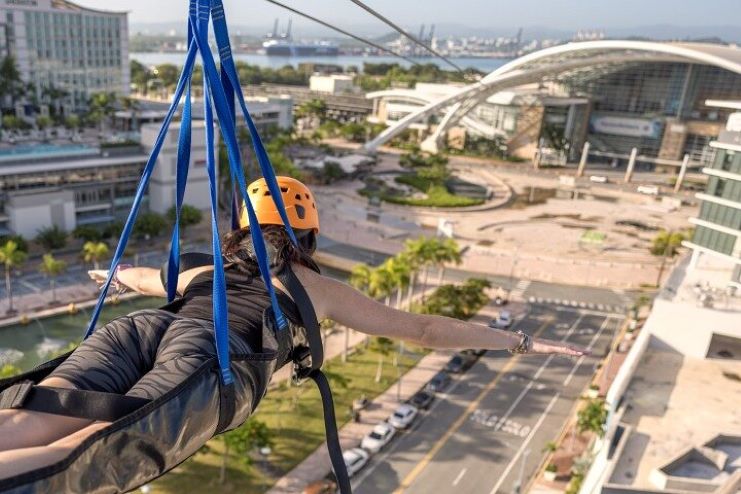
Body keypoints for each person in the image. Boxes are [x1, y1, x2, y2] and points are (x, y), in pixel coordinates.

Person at [0, 176, 587, 479]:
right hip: (211, 352)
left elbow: (146, 280)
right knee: (91, 445)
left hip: (139, 328)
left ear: (243, 230)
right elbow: (427, 331)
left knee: (36, 415)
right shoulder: (316, 289)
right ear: (307, 239)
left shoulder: (210, 267)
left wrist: (114, 274)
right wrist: (519, 339)